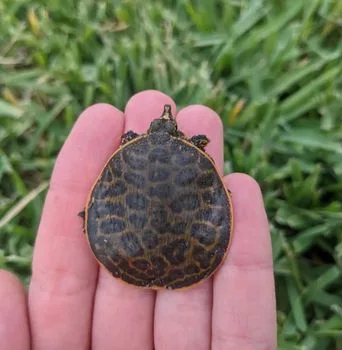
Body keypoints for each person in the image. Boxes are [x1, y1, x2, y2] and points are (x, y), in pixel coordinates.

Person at [0, 90, 276, 349]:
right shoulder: (194, 151)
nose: (166, 116)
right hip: (185, 257)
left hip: (122, 253)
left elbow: (105, 189)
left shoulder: (130, 148)